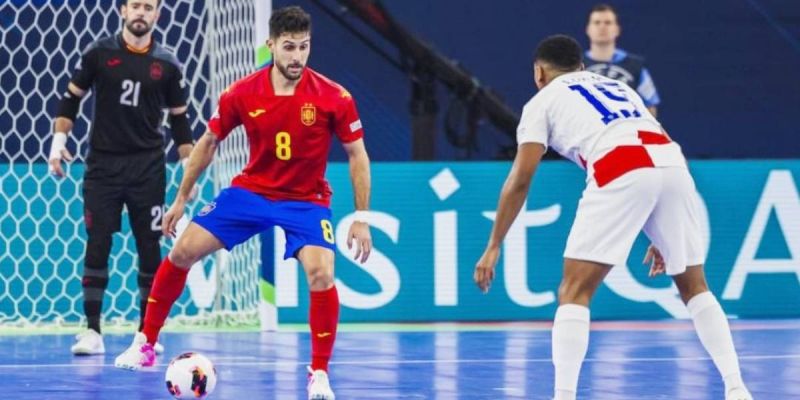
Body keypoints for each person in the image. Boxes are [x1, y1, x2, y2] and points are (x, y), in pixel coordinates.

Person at [473, 35, 752, 400]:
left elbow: (520, 179)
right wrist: (660, 227)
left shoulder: (542, 101)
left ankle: (563, 396)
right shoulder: (619, 87)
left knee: (574, 291)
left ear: (539, 72)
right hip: (672, 164)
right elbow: (658, 140)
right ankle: (736, 387)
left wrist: (494, 245)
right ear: (582, 67)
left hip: (619, 166)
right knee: (695, 288)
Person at [113, 6, 372, 400]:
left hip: (306, 200)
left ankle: (319, 373)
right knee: (182, 251)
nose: (297, 56)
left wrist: (361, 216)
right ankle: (145, 341)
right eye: (289, 47)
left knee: (321, 274)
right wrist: (181, 199)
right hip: (251, 192)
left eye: (304, 47)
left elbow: (357, 154)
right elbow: (208, 142)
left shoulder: (334, 97)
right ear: (271, 45)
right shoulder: (242, 93)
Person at [48, 0, 194, 356]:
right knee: (98, 242)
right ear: (123, 11)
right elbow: (70, 99)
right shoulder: (99, 54)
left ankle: (146, 333)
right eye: (135, 6)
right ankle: (92, 331)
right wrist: (58, 143)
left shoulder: (168, 63)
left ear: (157, 15)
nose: (141, 12)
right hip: (103, 167)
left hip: (148, 169)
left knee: (149, 247)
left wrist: (189, 169)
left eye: (148, 7)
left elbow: (179, 120)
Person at [584, 3, 661, 117]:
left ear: (617, 29)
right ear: (588, 29)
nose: (602, 27)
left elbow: (650, 106)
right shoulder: (576, 66)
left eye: (608, 23)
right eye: (597, 22)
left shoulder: (635, 67)